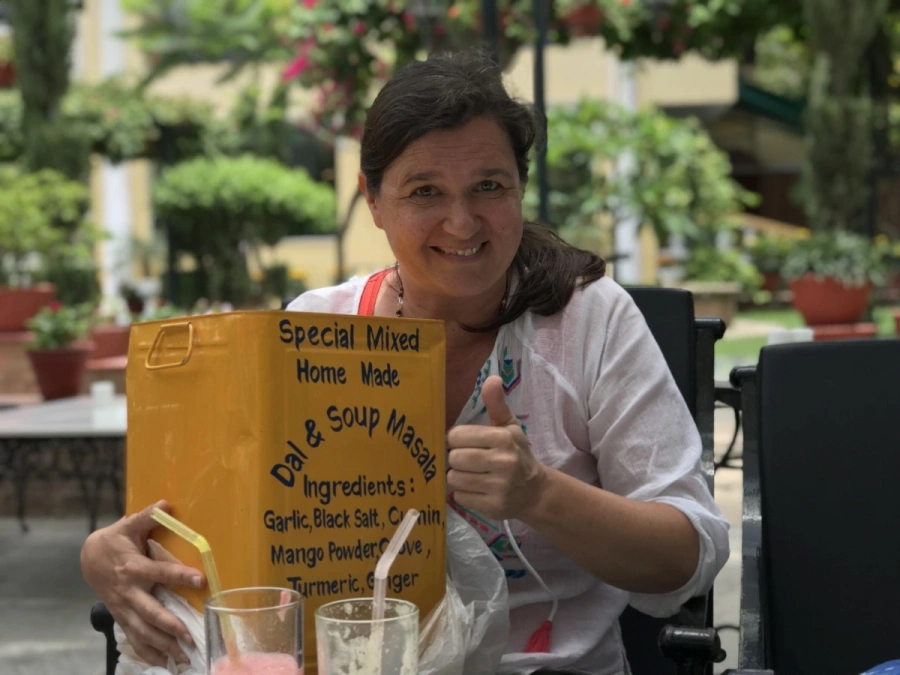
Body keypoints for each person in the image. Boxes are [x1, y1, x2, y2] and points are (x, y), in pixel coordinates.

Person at [81, 50, 729, 674]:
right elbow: (206, 525)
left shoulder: (588, 322)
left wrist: (540, 493)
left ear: (520, 188)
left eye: (489, 186)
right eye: (425, 191)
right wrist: (104, 555)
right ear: (373, 200)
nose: (461, 222)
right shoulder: (312, 329)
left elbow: (689, 553)